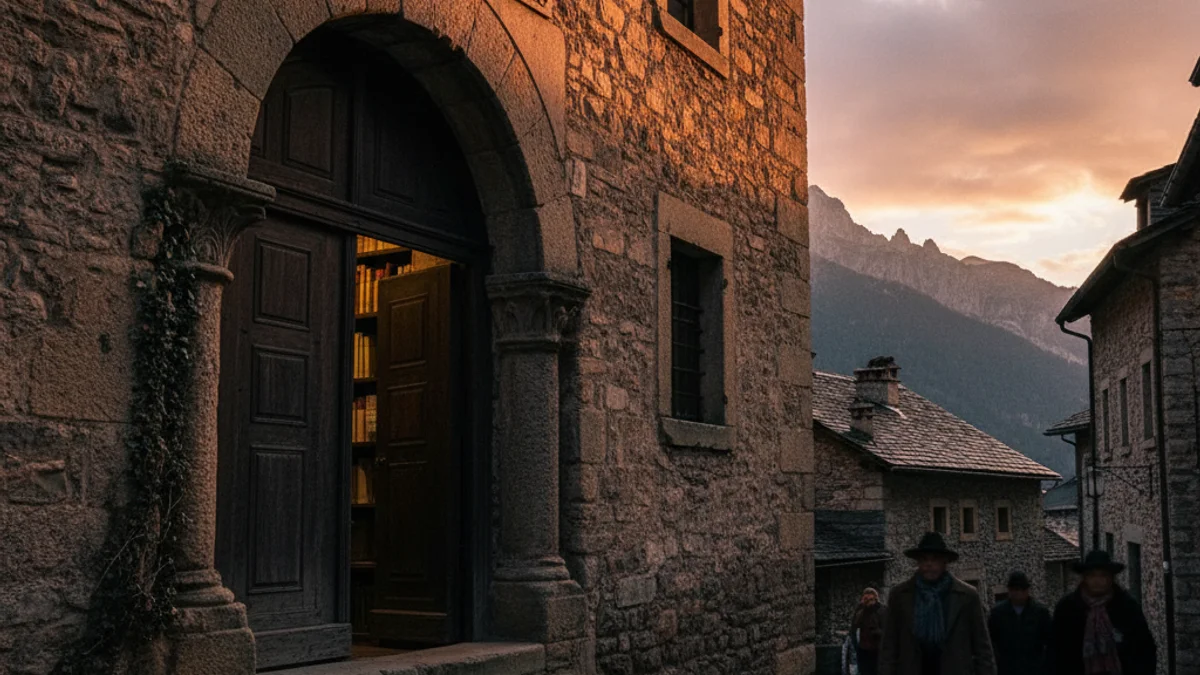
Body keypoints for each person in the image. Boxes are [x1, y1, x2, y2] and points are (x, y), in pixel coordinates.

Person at [879, 532, 995, 675]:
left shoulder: (967, 596)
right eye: (924, 559)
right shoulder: (900, 596)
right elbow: (889, 646)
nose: (929, 564)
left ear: (944, 562)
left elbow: (982, 648)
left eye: (935, 559)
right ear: (918, 563)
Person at [1050, 550, 1156, 675]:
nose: (1097, 580)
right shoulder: (1067, 608)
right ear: (1084, 578)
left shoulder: (1127, 607)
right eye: (1092, 575)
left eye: (1103, 575)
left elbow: (1144, 648)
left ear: (1111, 578)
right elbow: (1056, 650)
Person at [988, 570, 1052, 675]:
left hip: (1034, 668)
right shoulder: (998, 613)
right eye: (1015, 590)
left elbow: (1050, 642)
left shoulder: (1040, 612)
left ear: (1027, 591)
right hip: (1007, 668)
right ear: (1009, 591)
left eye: (1022, 590)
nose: (1018, 593)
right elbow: (991, 642)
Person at [852, 587, 887, 675]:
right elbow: (854, 626)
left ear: (875, 599)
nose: (868, 602)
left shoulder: (882, 610)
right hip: (863, 649)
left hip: (877, 650)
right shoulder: (861, 610)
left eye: (871, 599)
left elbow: (888, 631)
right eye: (866, 599)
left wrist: (877, 632)